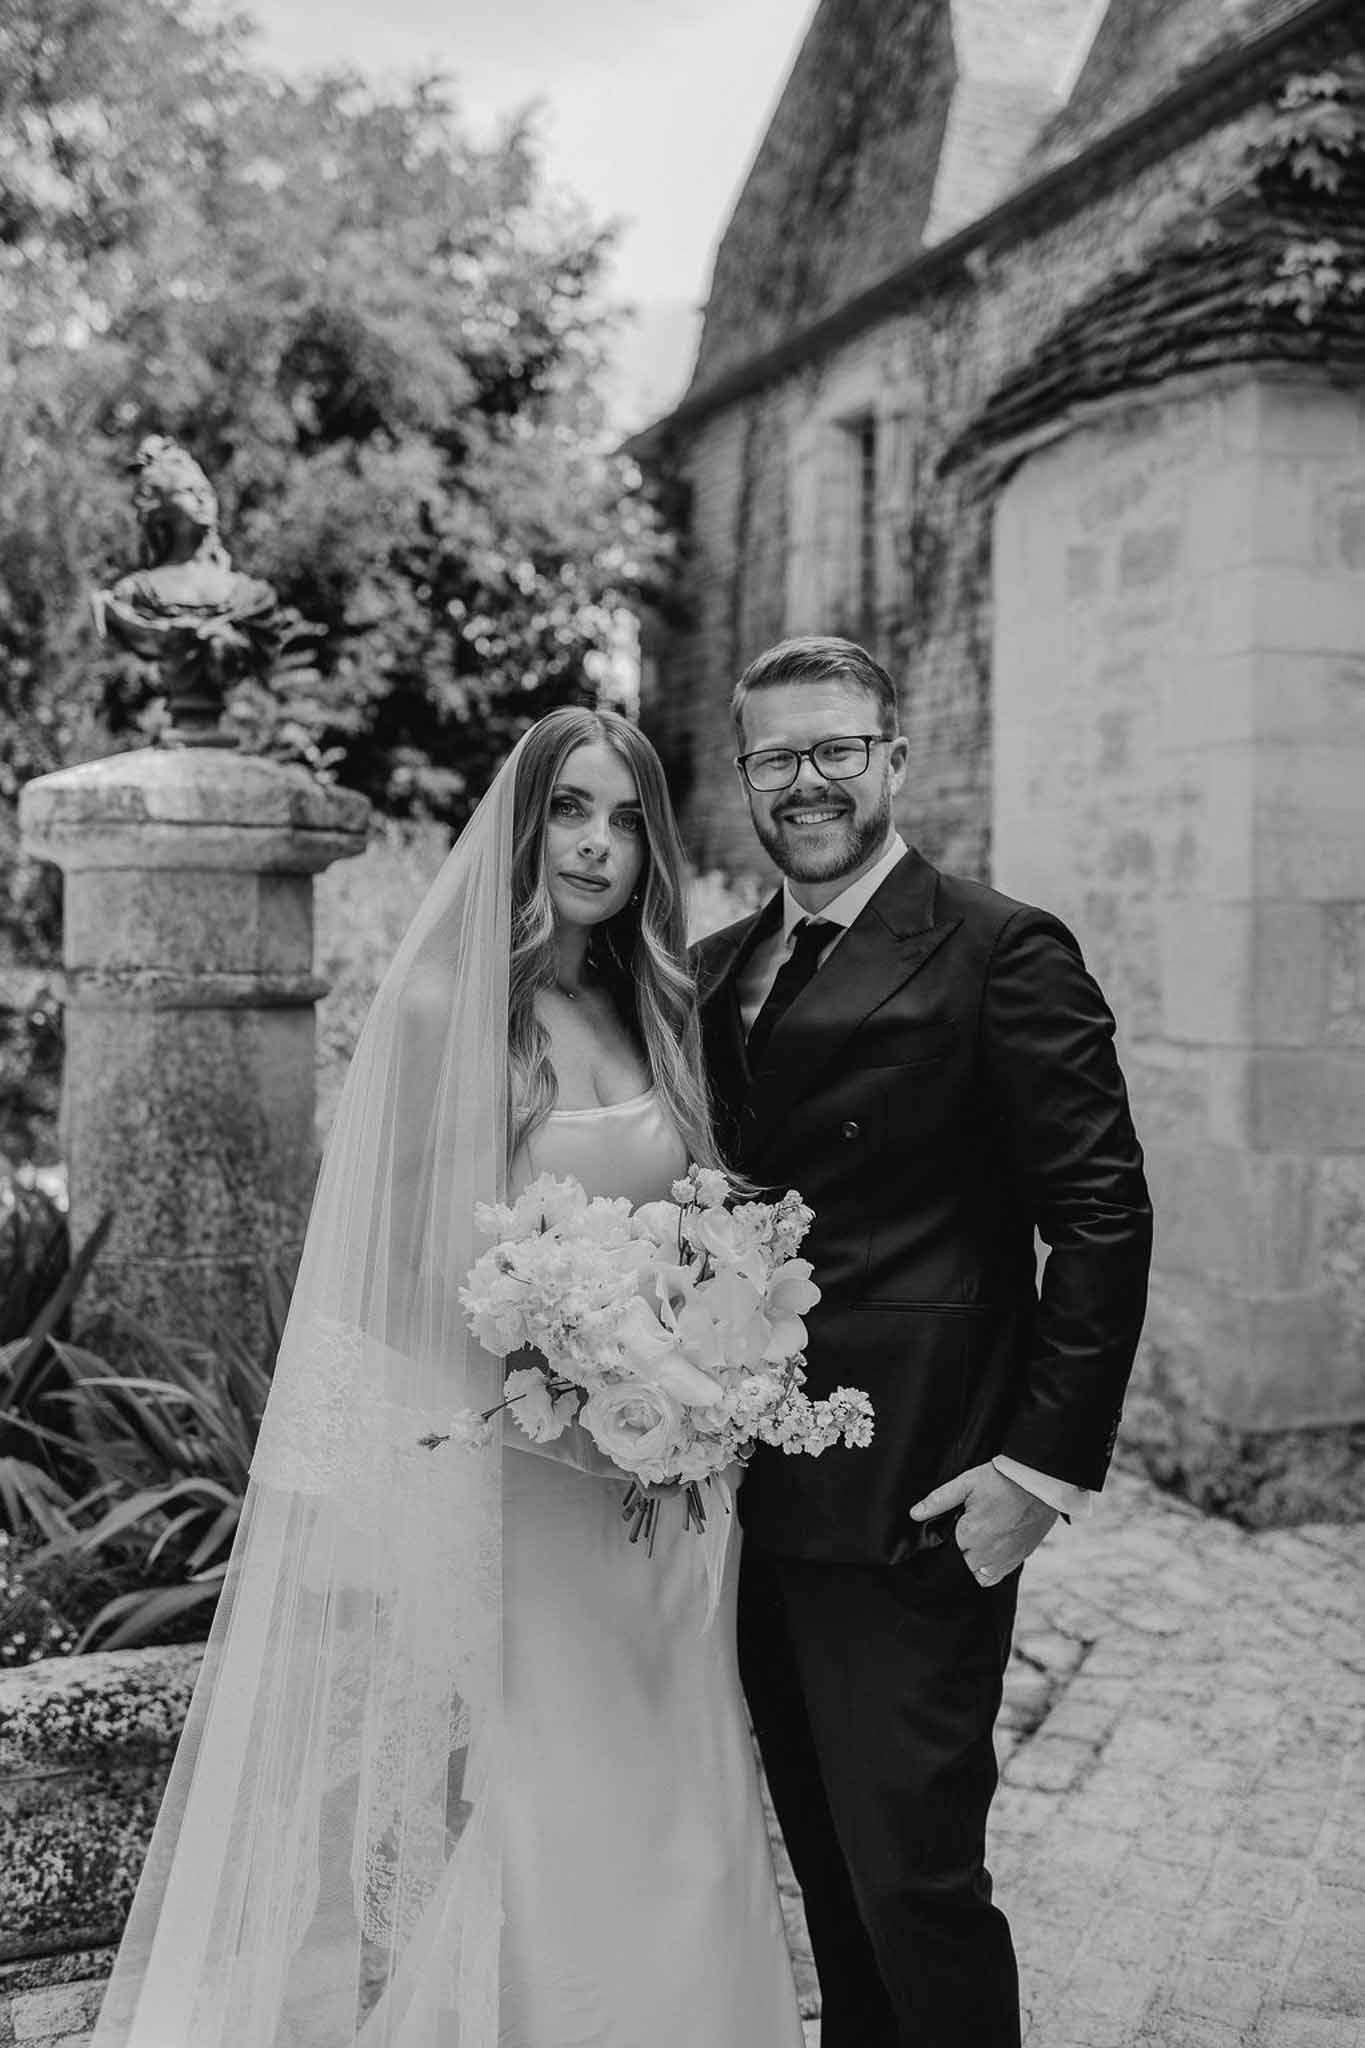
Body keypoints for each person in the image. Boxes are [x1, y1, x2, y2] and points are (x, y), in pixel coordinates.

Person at [92, 708, 805, 2048]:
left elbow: (698, 1226)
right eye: (570, 812)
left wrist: (716, 1349)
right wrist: (585, 1372)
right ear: (524, 825)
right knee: (563, 1800)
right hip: (538, 1485)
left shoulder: (643, 1006)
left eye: (626, 818)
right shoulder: (448, 1009)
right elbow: (413, 1277)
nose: (597, 846)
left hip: (677, 1495)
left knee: (690, 1795)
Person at [695, 636, 1153, 2048]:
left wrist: (1039, 1466)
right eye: (778, 757)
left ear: (896, 756)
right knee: (827, 1875)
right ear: (743, 781)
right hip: (743, 1491)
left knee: (916, 1884)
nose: (809, 781)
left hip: (915, 1492)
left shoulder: (998, 950)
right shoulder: (711, 970)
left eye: (837, 748)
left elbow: (1100, 1218)